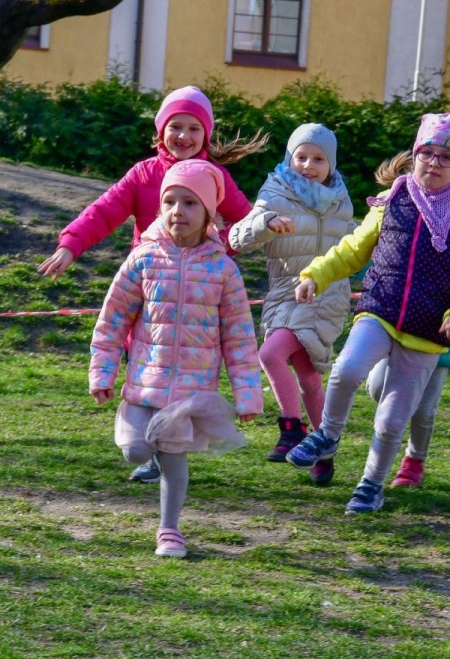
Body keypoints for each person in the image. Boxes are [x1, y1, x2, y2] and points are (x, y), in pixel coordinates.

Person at [38, 85, 265, 485]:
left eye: (194, 128)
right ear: (161, 131)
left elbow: (245, 220)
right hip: (152, 289)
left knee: (185, 375)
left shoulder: (215, 177)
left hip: (199, 289)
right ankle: (146, 441)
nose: (184, 136)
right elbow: (104, 211)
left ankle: (164, 450)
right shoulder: (143, 174)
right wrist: (71, 245)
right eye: (175, 126)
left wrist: (265, 228)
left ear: (206, 135)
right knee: (148, 365)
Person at [287, 113, 450, 514]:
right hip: (379, 309)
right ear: (413, 156)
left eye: (445, 157)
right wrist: (315, 275)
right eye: (426, 153)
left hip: (428, 331)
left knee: (392, 421)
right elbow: (351, 250)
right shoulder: (391, 200)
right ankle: (328, 433)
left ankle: (370, 485)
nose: (433, 162)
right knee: (346, 369)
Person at [88, 160, 263, 558]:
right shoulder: (143, 260)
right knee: (135, 450)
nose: (177, 211)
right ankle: (140, 449)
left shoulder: (224, 270)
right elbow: (112, 318)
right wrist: (103, 371)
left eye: (189, 203)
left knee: (173, 457)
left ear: (209, 214)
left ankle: (169, 530)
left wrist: (248, 396)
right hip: (143, 383)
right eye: (169, 201)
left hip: (189, 392)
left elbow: (239, 339)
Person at [228, 123, 355, 486]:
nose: (308, 165)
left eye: (318, 159)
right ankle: (325, 449)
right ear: (290, 157)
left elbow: (354, 245)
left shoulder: (340, 200)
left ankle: (291, 430)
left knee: (270, 354)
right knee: (310, 379)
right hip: (285, 291)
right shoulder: (275, 190)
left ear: (331, 164)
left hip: (325, 294)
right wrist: (266, 223)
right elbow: (239, 236)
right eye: (301, 156)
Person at [364, 341, 450, 488]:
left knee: (423, 411)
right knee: (378, 387)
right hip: (398, 332)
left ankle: (414, 462)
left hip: (439, 344)